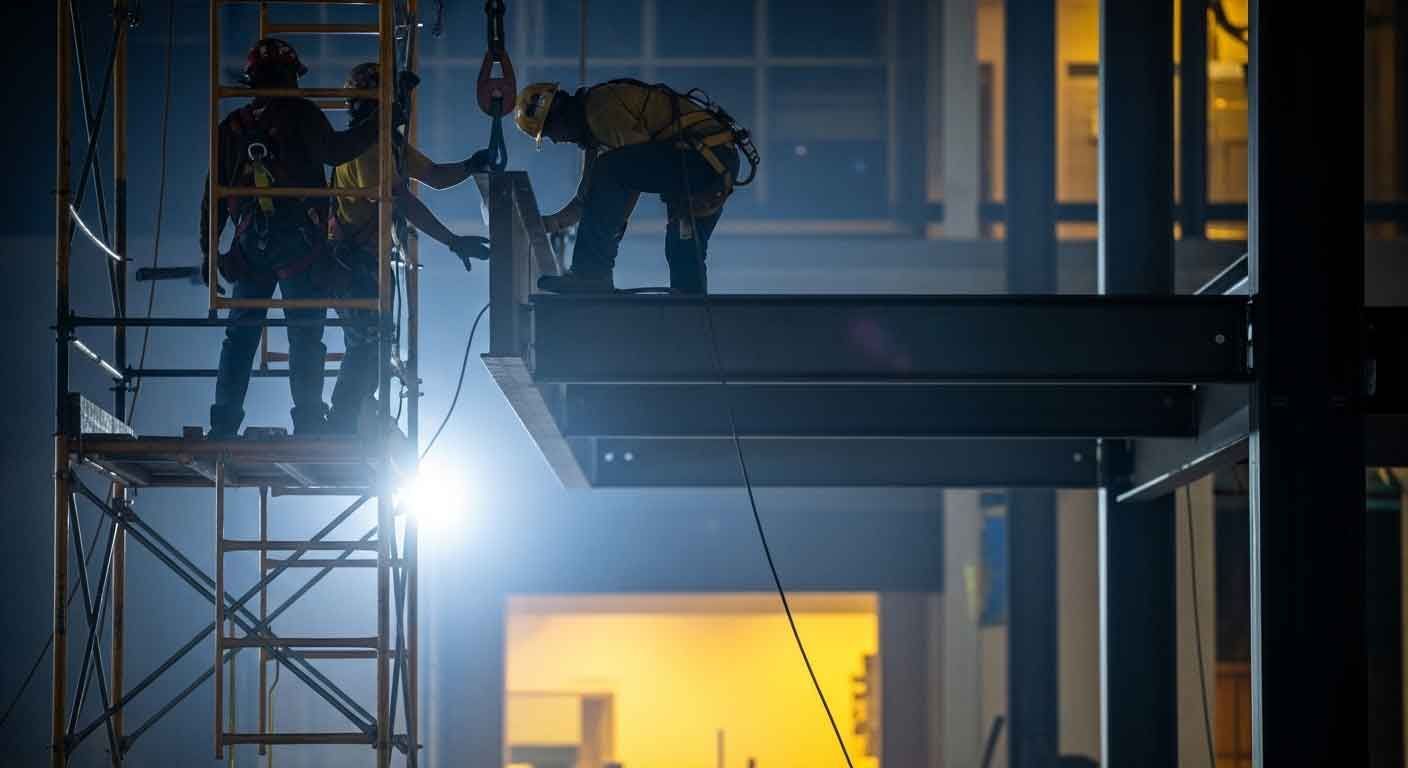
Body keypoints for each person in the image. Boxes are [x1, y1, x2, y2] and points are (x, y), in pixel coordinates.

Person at [200, 38, 384, 438]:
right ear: (290, 77)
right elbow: (337, 151)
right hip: (300, 245)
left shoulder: (232, 128)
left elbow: (212, 193)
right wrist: (383, 119)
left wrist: (208, 251)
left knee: (241, 336)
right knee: (304, 335)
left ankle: (224, 424)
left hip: (250, 246)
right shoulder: (301, 114)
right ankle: (308, 425)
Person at [323, 61, 494, 435]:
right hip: (351, 264)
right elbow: (402, 200)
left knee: (373, 343)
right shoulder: (365, 150)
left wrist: (469, 166)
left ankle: (355, 418)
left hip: (366, 262)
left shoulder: (388, 145)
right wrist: (452, 241)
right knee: (365, 344)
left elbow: (432, 176)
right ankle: (341, 424)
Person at [512, 79, 746, 294]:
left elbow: (628, 174)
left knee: (610, 170)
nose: (555, 140)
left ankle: (590, 273)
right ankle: (690, 315)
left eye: (550, 132)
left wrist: (613, 226)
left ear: (559, 114)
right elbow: (588, 198)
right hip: (713, 162)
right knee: (683, 246)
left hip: (701, 159)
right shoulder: (598, 133)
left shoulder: (601, 110)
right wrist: (549, 224)